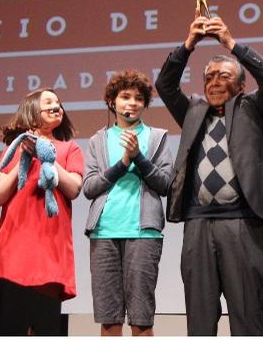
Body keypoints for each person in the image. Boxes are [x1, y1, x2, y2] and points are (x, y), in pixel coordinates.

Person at [155, 12, 263, 336]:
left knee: (246, 317)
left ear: (241, 85)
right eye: (209, 76)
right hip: (198, 224)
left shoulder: (253, 109)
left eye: (224, 76)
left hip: (243, 222)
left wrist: (230, 43)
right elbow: (165, 84)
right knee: (199, 321)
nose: (215, 82)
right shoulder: (192, 112)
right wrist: (188, 44)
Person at [83, 69, 173, 336]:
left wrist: (139, 158)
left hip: (143, 233)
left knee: (141, 318)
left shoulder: (156, 137)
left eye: (138, 98)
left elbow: (166, 184)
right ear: (112, 101)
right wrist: (122, 164)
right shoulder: (98, 140)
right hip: (104, 232)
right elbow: (89, 187)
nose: (132, 103)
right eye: (125, 97)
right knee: (109, 319)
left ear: (145, 104)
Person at [0, 88, 84, 301]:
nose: (56, 107)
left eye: (58, 103)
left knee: (43, 320)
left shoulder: (70, 149)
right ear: (32, 112)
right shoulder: (12, 151)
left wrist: (46, 156)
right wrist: (23, 156)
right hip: (14, 244)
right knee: (12, 323)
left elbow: (74, 188)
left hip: (50, 244)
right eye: (49, 102)